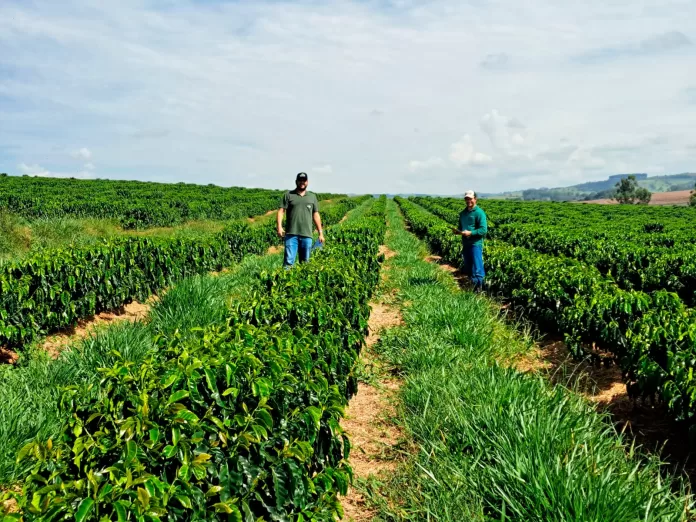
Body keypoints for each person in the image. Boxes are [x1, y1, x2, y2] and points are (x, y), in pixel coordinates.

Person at [277, 172, 325, 267]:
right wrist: (279, 227)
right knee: (288, 262)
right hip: (291, 234)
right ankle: (284, 280)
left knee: (305, 263)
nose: (302, 182)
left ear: (307, 182)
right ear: (296, 181)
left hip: (306, 235)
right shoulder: (288, 195)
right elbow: (281, 211)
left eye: (304, 180)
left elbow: (316, 215)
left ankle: (302, 281)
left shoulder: (312, 196)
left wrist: (321, 233)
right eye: (300, 180)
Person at [452, 190, 488, 292]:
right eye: (467, 199)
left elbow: (483, 230)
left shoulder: (479, 213)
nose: (468, 201)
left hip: (475, 244)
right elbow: (461, 227)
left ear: (475, 199)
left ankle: (479, 290)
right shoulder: (463, 213)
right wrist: (458, 232)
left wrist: (470, 233)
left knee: (477, 267)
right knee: (469, 267)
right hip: (466, 244)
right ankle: (473, 287)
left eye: (470, 199)